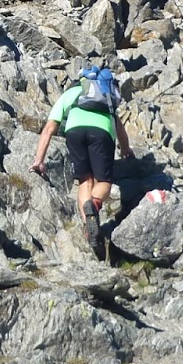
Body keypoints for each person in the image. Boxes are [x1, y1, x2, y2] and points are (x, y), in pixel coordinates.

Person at [30, 63, 133, 254]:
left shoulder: (71, 93)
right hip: (102, 131)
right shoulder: (105, 95)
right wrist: (126, 150)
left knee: (85, 180)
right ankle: (93, 206)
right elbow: (120, 128)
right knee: (103, 181)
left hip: (74, 130)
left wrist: (39, 160)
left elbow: (49, 129)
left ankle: (90, 230)